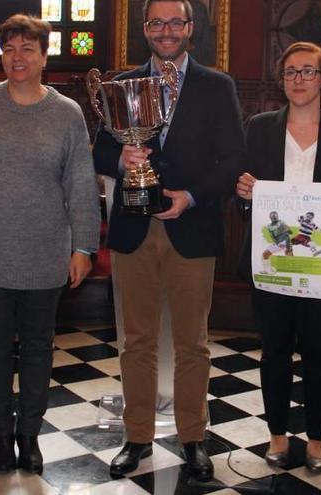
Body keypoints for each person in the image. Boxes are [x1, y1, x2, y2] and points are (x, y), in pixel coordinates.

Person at [92, 0, 245, 481]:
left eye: (174, 21)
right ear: (145, 29)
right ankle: (136, 437)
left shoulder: (217, 86)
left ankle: (193, 437)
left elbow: (233, 157)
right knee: (135, 340)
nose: (165, 30)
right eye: (156, 22)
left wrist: (192, 197)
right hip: (133, 229)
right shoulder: (121, 84)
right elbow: (99, 151)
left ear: (190, 28)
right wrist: (125, 158)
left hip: (191, 228)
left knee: (192, 343)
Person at [0, 14, 100, 475]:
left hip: (45, 252)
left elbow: (81, 185)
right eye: (9, 48)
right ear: (2, 54)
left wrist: (84, 247)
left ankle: (30, 434)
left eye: (27, 48)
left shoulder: (67, 113)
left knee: (37, 347)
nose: (18, 57)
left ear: (44, 56)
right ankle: (0, 435)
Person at [235, 41, 321, 474]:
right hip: (273, 262)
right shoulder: (260, 127)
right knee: (273, 352)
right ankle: (276, 435)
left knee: (318, 353)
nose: (299, 80)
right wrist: (245, 193)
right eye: (291, 72)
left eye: (308, 72)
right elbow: (245, 195)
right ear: (282, 79)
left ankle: (317, 438)